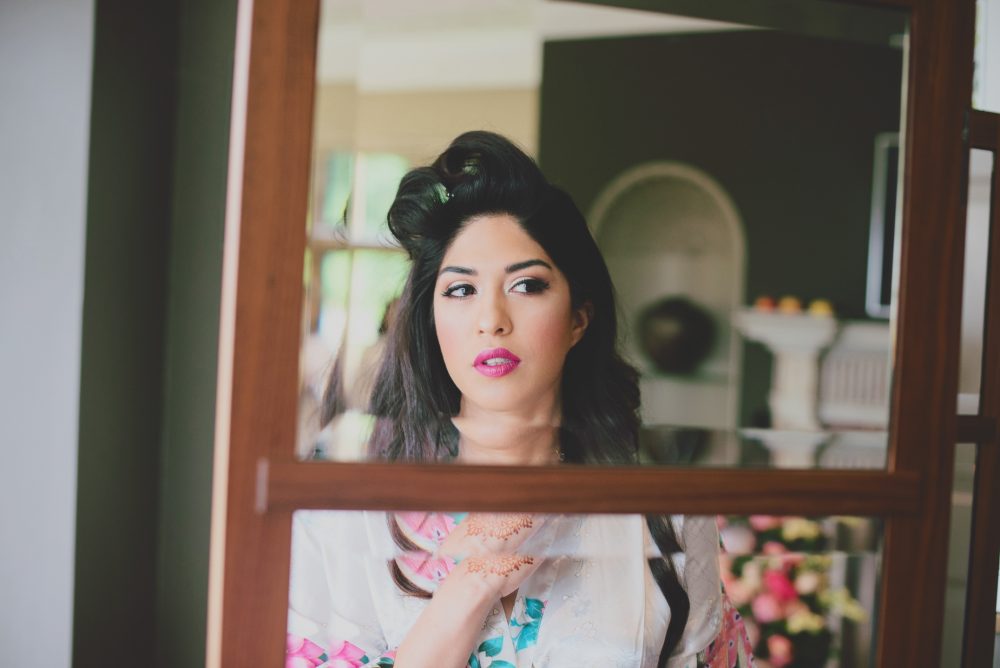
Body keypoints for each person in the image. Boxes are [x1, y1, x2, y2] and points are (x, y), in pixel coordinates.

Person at [287, 131, 753, 667]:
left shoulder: (663, 515)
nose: (492, 320)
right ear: (430, 319)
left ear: (579, 318)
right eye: (461, 289)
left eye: (527, 285)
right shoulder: (345, 516)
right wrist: (473, 583)